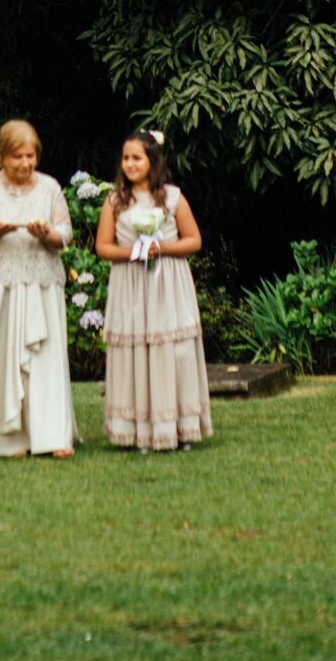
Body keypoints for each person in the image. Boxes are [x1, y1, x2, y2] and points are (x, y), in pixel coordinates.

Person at [0, 119, 78, 458]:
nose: (25, 163)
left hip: (41, 284)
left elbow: (64, 235)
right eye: (17, 157)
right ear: (1, 157)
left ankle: (50, 436)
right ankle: (4, 439)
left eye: (30, 156)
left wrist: (45, 234)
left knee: (43, 360)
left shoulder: (49, 188)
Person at [95, 131, 212, 452]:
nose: (130, 164)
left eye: (137, 158)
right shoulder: (115, 201)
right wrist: (135, 252)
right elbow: (103, 247)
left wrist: (161, 247)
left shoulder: (172, 197)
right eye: (126, 158)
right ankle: (136, 430)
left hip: (167, 283)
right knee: (134, 351)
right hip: (130, 284)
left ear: (153, 161)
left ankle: (179, 427)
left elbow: (193, 240)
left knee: (172, 350)